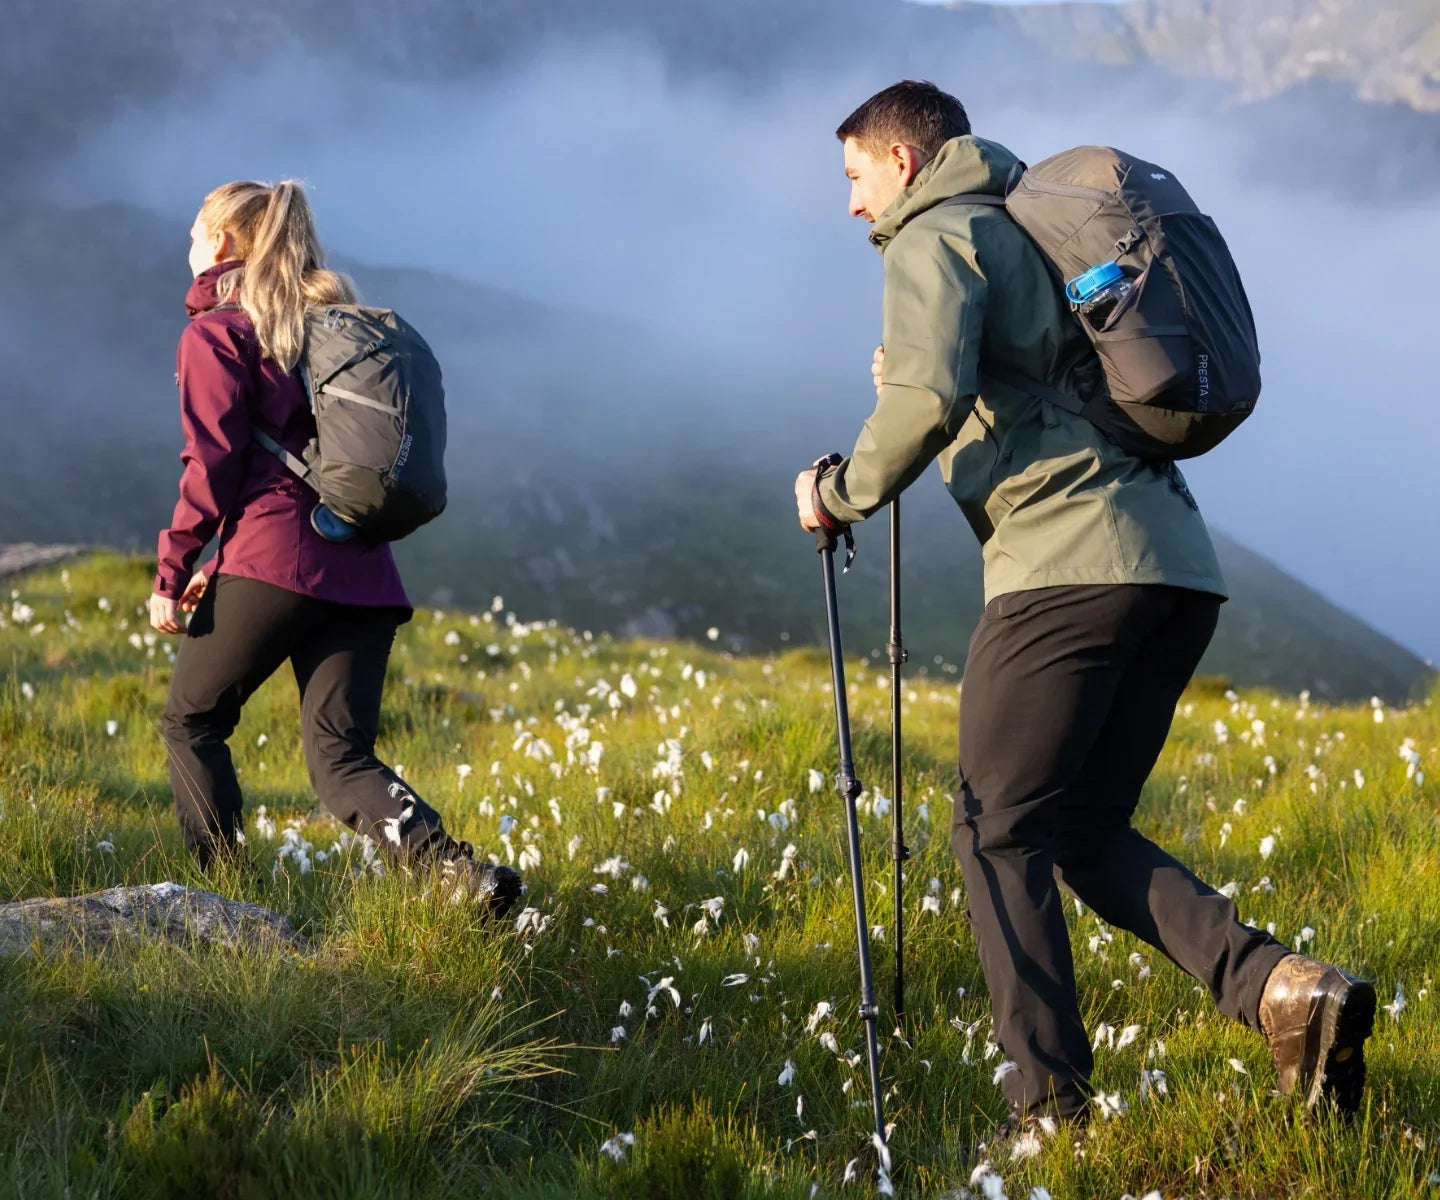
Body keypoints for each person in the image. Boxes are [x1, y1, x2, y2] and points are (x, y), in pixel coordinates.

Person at [793, 82, 1374, 1135]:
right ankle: (1286, 992)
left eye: (854, 175)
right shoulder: (1027, 230)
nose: (850, 205)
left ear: (905, 162)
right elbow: (1007, 389)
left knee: (993, 830)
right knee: (1079, 825)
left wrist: (836, 494)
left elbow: (922, 402)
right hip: (1173, 570)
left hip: (1065, 572)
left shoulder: (941, 234)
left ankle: (1047, 1107)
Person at [149, 178, 520, 915]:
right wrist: (222, 567)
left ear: (220, 242)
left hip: (273, 560)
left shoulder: (218, 332)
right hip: (365, 572)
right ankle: (460, 877)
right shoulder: (328, 328)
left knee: (191, 721)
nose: (189, 247)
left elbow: (217, 461)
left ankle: (222, 900)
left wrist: (174, 567)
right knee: (341, 758)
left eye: (195, 233)